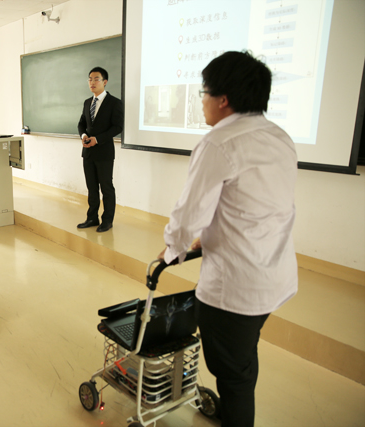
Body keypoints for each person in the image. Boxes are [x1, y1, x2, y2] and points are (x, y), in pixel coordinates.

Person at [158, 51, 298, 427]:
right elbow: (256, 206)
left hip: (235, 287)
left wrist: (172, 249)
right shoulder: (280, 137)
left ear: (222, 99)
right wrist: (207, 238)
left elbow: (190, 213)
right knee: (242, 357)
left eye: (203, 92)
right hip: (275, 276)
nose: (201, 101)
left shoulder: (219, 142)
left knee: (233, 375)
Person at [77, 66, 124, 233]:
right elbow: (81, 123)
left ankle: (107, 220)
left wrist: (97, 139)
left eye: (96, 79)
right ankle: (92, 218)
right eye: (90, 79)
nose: (92, 82)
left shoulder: (114, 102)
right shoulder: (87, 102)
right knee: (91, 187)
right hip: (88, 152)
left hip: (104, 152)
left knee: (106, 187)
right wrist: (83, 135)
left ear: (105, 82)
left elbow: (118, 127)